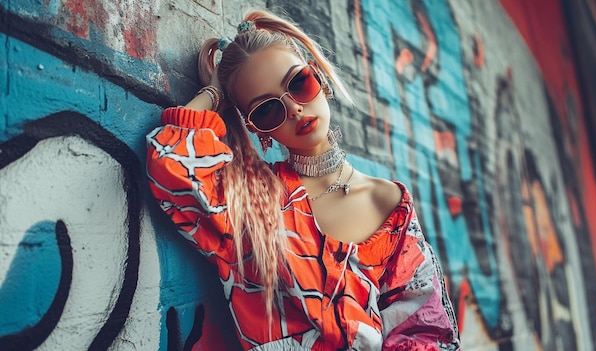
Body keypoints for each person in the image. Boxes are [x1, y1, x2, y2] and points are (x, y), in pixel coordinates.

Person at [146, 9, 460, 351]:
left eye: (299, 83)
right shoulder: (252, 200)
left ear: (320, 80)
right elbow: (171, 160)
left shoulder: (389, 204)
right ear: (257, 130)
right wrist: (215, 92)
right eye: (267, 110)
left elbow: (426, 330)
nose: (294, 109)